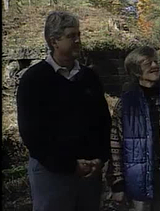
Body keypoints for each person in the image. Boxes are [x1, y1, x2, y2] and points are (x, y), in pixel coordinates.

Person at [16, 11, 111, 211]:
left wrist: (100, 158)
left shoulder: (89, 77)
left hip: (90, 173)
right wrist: (68, 165)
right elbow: (31, 133)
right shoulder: (33, 80)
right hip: (51, 173)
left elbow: (103, 121)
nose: (78, 40)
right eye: (71, 36)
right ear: (54, 41)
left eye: (78, 34)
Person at [108, 46, 160, 211]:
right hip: (137, 180)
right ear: (136, 70)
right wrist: (117, 183)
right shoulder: (126, 104)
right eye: (148, 63)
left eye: (156, 61)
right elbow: (115, 143)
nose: (154, 65)